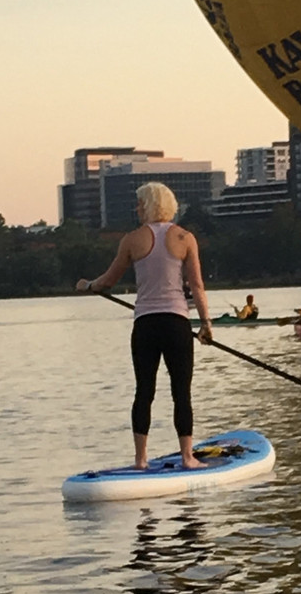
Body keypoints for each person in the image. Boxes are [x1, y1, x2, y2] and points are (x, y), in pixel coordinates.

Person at [75, 181, 213, 471]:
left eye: (139, 203)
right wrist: (206, 324)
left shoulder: (132, 240)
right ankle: (188, 457)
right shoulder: (185, 237)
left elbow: (107, 281)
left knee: (144, 391)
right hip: (177, 324)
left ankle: (141, 461)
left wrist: (87, 285)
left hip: (146, 326)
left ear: (150, 204)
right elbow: (197, 286)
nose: (136, 208)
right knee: (181, 391)